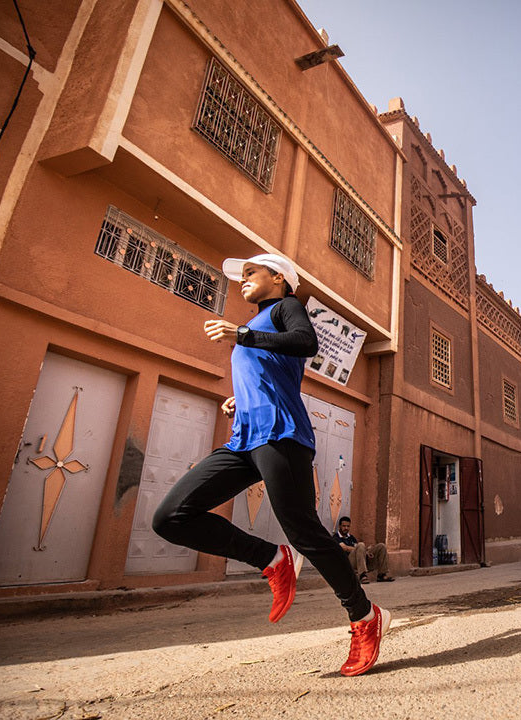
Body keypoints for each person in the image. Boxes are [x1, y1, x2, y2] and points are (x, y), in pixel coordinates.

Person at [151, 253, 389, 677]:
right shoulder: (256, 325)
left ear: (278, 277)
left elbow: (306, 343)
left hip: (281, 435)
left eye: (251, 273)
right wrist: (240, 401)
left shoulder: (285, 308)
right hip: (244, 438)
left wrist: (241, 334)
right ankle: (271, 558)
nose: (243, 280)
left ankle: (365, 616)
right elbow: (268, 377)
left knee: (306, 533)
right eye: (241, 276)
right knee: (170, 517)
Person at [333, 516, 395, 584]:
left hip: (359, 562)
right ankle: (362, 575)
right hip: (348, 563)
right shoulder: (336, 537)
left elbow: (359, 549)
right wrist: (363, 550)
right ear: (339, 526)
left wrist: (367, 551)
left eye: (348, 526)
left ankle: (382, 575)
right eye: (344, 526)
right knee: (361, 545)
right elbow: (345, 548)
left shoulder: (351, 537)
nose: (346, 528)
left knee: (381, 546)